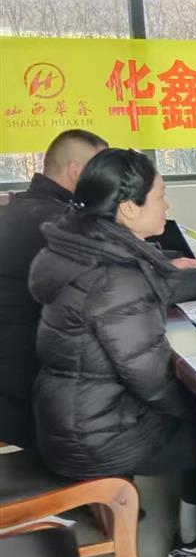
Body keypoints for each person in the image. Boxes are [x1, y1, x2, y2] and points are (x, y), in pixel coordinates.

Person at [29, 149, 196, 557]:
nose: (167, 205)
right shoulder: (116, 275)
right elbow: (150, 379)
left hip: (65, 416)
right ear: (129, 209)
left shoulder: (80, 245)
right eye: (161, 195)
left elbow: (144, 292)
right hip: (94, 434)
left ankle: (190, 541)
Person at [0, 130, 109, 449]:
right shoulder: (55, 221)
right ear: (76, 171)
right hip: (31, 391)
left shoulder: (25, 208)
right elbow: (110, 281)